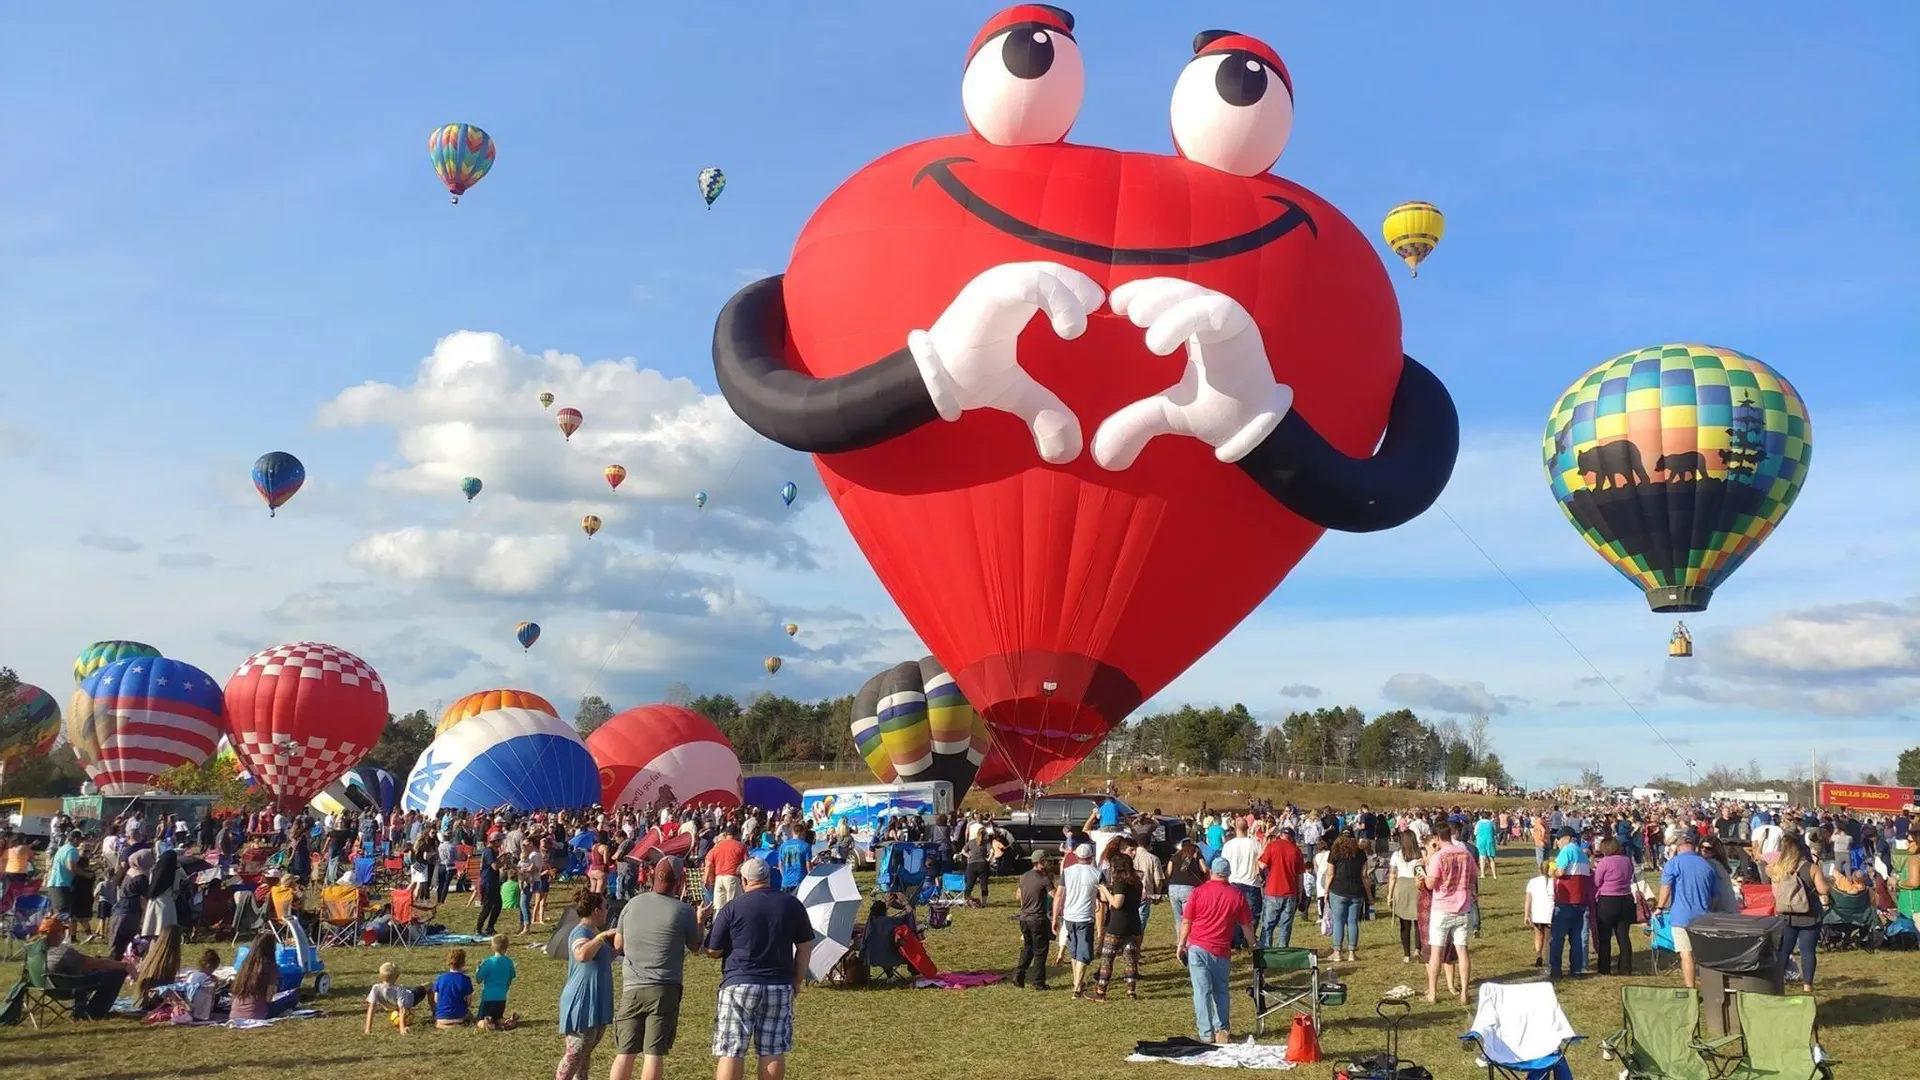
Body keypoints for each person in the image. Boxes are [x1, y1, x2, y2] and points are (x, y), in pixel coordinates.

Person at [704, 857, 814, 1080]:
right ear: (768, 877)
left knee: (731, 1049)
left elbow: (713, 950)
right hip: (779, 982)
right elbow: (805, 946)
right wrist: (797, 980)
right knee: (772, 1049)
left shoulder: (732, 907)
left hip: (739, 982)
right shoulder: (792, 904)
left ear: (744, 880)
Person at [610, 859, 704, 1080]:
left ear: (652, 876)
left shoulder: (633, 903)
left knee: (625, 1052)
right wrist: (700, 921)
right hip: (664, 987)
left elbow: (618, 944)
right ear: (680, 881)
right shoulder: (684, 910)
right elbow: (696, 946)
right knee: (653, 1053)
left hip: (632, 985)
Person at [1177, 857, 1253, 1045]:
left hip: (1197, 947)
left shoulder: (1198, 892)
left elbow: (1187, 921)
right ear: (1228, 874)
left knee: (1201, 991)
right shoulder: (1236, 895)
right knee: (1221, 990)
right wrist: (1253, 945)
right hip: (1220, 950)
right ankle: (1222, 1028)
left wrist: (1181, 943)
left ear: (1211, 871)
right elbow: (1246, 925)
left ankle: (1205, 1033)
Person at [558, 891, 617, 1080]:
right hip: (582, 1000)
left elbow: (607, 956)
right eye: (605, 907)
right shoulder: (581, 932)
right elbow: (582, 955)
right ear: (596, 910)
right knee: (575, 1052)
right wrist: (602, 938)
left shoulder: (594, 932)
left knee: (585, 1053)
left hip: (597, 998)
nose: (607, 911)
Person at [1422, 822, 1477, 1004]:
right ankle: (1464, 993)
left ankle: (1433, 992)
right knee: (1462, 951)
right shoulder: (1466, 854)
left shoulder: (1439, 857)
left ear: (1437, 837)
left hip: (1442, 907)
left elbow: (1430, 884)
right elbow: (1472, 879)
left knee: (1436, 953)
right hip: (1462, 907)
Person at [1769, 834, 1831, 992]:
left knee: (1783, 951)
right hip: (1809, 915)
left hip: (1787, 916)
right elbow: (1823, 890)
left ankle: (1776, 982)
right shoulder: (1811, 868)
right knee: (1807, 951)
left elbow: (1776, 894)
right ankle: (1807, 985)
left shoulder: (1778, 868)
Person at [1656, 835, 1720, 989]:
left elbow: (1666, 887)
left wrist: (1659, 907)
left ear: (1678, 848)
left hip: (1681, 915)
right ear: (1695, 848)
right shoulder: (1707, 865)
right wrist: (1709, 909)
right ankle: (1711, 985)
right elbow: (1716, 895)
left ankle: (1690, 988)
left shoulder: (1673, 863)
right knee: (1704, 954)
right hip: (1703, 916)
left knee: (1686, 953)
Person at [39, 916, 131, 1020]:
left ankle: (79, 1010)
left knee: (80, 972)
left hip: (45, 987)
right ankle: (94, 1012)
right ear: (57, 934)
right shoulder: (63, 952)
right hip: (66, 989)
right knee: (116, 974)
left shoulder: (35, 952)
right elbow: (94, 963)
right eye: (62, 931)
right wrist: (124, 966)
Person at [1091, 849, 1144, 1001]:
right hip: (1134, 925)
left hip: (1117, 926)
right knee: (1130, 959)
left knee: (1107, 958)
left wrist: (1105, 891)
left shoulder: (1121, 883)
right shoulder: (1137, 882)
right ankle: (1131, 991)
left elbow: (1117, 902)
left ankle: (1101, 991)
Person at [1053, 842, 1101, 997]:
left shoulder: (1067, 872)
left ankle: (1076, 983)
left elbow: (1059, 895)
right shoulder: (1097, 873)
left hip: (1069, 916)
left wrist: (1055, 917)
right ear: (1091, 857)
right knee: (1084, 954)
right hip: (1085, 917)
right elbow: (1103, 892)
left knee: (1074, 952)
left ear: (1076, 856)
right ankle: (1077, 987)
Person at [1546, 828, 1593, 979]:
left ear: (1566, 838)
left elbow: (1560, 872)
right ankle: (1576, 969)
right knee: (1577, 938)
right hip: (1581, 900)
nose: (1557, 843)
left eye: (1558, 839)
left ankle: (1555, 970)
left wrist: (1551, 871)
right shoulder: (1583, 854)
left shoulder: (1567, 851)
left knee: (1557, 938)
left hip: (1566, 901)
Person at [1591, 837, 1638, 975]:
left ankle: (1604, 968)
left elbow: (1597, 881)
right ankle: (1625, 968)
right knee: (1623, 936)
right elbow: (1630, 876)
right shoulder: (1627, 860)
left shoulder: (1604, 862)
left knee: (1604, 937)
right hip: (1625, 899)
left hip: (1607, 900)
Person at [1326, 834, 1372, 962]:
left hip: (1338, 889)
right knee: (1353, 922)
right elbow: (1364, 876)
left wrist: (1325, 891)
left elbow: (1330, 874)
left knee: (1338, 921)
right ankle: (1352, 952)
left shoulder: (1334, 853)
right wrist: (1369, 895)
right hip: (1356, 891)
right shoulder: (1361, 854)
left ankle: (1337, 952)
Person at [1256, 826, 1303, 949]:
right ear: (1292, 838)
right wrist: (1300, 893)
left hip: (1273, 890)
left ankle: (1265, 951)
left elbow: (1262, 865)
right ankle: (1283, 951)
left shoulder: (1273, 846)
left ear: (1280, 835)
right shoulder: (1296, 851)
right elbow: (1300, 876)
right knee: (1285, 925)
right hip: (1290, 891)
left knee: (1268, 924)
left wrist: (1257, 859)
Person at [1013, 852, 1054, 990]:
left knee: (1028, 947)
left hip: (1024, 918)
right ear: (1041, 862)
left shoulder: (1024, 876)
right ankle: (1039, 982)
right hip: (1038, 919)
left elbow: (1018, 895)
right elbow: (1054, 896)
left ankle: (1018, 974)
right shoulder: (1044, 879)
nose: (1048, 863)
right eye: (1047, 861)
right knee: (1040, 951)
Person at [1388, 831, 1425, 963]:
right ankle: (1418, 949)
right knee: (1418, 921)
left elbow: (1392, 875)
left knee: (1404, 922)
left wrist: (1390, 894)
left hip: (1402, 886)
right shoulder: (1421, 854)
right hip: (1417, 886)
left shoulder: (1396, 855)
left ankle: (1406, 955)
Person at [229, 932, 283, 1021]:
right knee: (292, 998)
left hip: (234, 1013)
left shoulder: (245, 965)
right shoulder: (271, 967)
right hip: (256, 1014)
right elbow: (268, 999)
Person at [364, 961, 431, 1034]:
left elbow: (371, 1007)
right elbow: (402, 1009)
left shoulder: (376, 988)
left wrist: (368, 1029)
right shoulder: (399, 988)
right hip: (412, 998)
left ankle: (367, 1029)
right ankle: (435, 1011)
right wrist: (402, 1029)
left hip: (391, 1006)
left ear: (380, 976)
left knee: (410, 990)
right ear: (397, 977)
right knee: (430, 985)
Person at [1165, 841, 1206, 948]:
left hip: (1173, 888)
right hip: (1189, 888)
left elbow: (1168, 872)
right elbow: (1204, 869)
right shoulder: (1196, 854)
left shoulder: (1174, 857)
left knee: (1178, 918)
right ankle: (1188, 943)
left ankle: (1180, 942)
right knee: (1188, 918)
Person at [475, 933, 519, 1030]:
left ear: (492, 947)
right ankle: (508, 1021)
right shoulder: (509, 962)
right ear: (507, 947)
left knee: (479, 1020)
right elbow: (511, 977)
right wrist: (506, 988)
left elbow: (478, 980)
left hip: (488, 998)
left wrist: (478, 969)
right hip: (501, 997)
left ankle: (487, 1023)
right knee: (498, 1017)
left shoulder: (488, 962)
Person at [704, 826, 748, 915]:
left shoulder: (717, 847)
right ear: (736, 835)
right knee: (733, 908)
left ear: (725, 835)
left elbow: (708, 864)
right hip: (733, 877)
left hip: (719, 879)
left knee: (718, 908)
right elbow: (746, 863)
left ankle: (716, 926)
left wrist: (706, 879)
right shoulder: (741, 846)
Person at [1523, 860, 1555, 967]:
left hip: (1537, 913)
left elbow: (1528, 900)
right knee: (1550, 938)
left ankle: (1539, 955)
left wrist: (1526, 914)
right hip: (1550, 913)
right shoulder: (1554, 882)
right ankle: (1550, 957)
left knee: (1538, 935)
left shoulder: (1532, 882)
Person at [433, 948, 476, 1027]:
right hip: (459, 1016)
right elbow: (469, 1002)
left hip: (441, 1016)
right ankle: (458, 1024)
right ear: (463, 963)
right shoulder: (465, 980)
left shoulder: (440, 978)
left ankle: (442, 1025)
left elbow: (436, 1000)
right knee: (471, 1016)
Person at [776, 827, 812, 895]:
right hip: (800, 880)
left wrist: (783, 876)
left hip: (786, 881)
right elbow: (808, 866)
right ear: (802, 833)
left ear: (793, 832)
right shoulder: (805, 846)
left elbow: (780, 864)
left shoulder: (783, 845)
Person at [1474, 811, 1499, 878]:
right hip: (1490, 841)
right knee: (1491, 858)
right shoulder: (1491, 823)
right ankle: (1494, 875)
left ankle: (1482, 874)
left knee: (1482, 857)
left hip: (1481, 841)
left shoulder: (1479, 823)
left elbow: (1475, 832)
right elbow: (1495, 831)